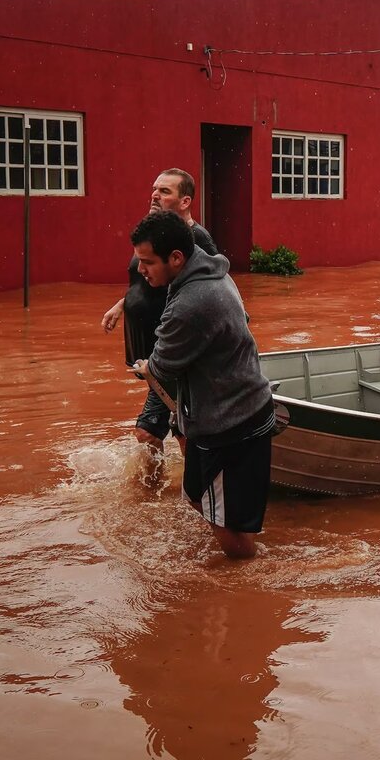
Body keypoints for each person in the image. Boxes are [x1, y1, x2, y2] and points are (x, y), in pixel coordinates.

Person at [129, 210, 274, 560]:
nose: (140, 270)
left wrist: (148, 364)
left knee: (225, 526)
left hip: (230, 424)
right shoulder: (211, 272)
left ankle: (246, 583)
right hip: (225, 411)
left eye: (147, 262)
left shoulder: (192, 302)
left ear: (176, 257)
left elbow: (161, 367)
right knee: (196, 496)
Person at [102, 169, 219, 452]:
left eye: (165, 191)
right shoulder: (155, 233)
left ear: (185, 201)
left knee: (149, 433)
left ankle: (176, 489)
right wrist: (123, 305)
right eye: (154, 189)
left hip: (175, 353)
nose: (155, 195)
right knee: (179, 423)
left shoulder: (196, 240)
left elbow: (213, 289)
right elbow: (146, 278)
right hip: (156, 351)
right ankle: (183, 485)